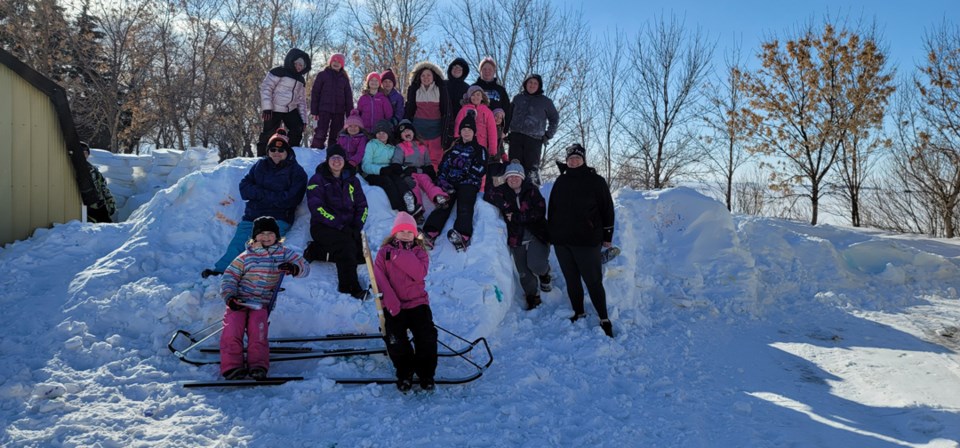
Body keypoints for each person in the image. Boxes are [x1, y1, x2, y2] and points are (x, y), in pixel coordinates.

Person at [202, 130, 307, 278]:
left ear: (287, 151)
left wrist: (259, 194)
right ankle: (223, 270)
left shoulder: (297, 172)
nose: (277, 153)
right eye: (273, 149)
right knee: (238, 243)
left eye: (281, 149)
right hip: (254, 215)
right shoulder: (260, 165)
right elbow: (244, 188)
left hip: (278, 218)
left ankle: (252, 276)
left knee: (263, 246)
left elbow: (290, 199)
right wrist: (271, 196)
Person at [219, 216, 310, 380]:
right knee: (232, 329)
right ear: (255, 236)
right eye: (262, 234)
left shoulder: (283, 253)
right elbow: (229, 277)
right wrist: (230, 297)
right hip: (238, 300)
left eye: (270, 233)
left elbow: (305, 267)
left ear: (277, 236)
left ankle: (258, 365)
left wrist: (294, 268)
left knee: (258, 331)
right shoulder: (246, 256)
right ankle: (232, 365)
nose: (266, 237)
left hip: (261, 304)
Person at [547, 144, 615, 337]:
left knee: (593, 281)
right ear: (567, 161)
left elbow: (607, 209)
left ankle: (604, 317)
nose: (573, 161)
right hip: (563, 242)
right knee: (571, 280)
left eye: (577, 158)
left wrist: (607, 236)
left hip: (587, 241)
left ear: (583, 159)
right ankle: (579, 311)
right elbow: (552, 210)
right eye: (570, 159)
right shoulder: (561, 181)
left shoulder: (596, 181)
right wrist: (552, 235)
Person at [374, 212, 438, 392]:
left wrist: (398, 254)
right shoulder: (383, 253)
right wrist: (392, 304)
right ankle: (405, 373)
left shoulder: (420, 252)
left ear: (414, 234)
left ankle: (426, 374)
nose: (405, 234)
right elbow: (380, 280)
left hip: (418, 303)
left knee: (426, 337)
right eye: (401, 230)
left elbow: (418, 273)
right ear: (394, 232)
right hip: (394, 304)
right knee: (395, 340)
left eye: (409, 231)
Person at [484, 161, 551, 310]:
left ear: (522, 177)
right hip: (517, 237)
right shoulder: (503, 191)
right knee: (523, 273)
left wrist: (516, 217)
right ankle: (533, 296)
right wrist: (505, 205)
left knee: (536, 264)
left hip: (537, 234)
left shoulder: (532, 190)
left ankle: (545, 273)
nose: (513, 179)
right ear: (506, 178)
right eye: (510, 177)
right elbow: (488, 195)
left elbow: (539, 212)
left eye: (516, 176)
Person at [304, 145, 369, 299]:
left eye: (339, 157)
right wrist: (340, 225)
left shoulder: (353, 180)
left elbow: (362, 206)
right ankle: (350, 288)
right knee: (346, 246)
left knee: (359, 256)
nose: (336, 161)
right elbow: (316, 207)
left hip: (348, 227)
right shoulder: (317, 179)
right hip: (323, 226)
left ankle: (316, 251)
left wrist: (356, 225)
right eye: (333, 158)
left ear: (344, 160)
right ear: (327, 160)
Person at [422, 112, 487, 250]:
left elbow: (481, 167)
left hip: (469, 182)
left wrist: (465, 177)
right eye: (464, 129)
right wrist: (442, 180)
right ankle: (430, 232)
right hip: (451, 182)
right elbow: (444, 165)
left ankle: (462, 235)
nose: (466, 132)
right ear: (460, 131)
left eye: (469, 130)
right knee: (443, 203)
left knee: (465, 203)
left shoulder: (479, 149)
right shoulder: (453, 148)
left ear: (474, 132)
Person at [390, 119, 449, 222]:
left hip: (421, 172)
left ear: (413, 132)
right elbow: (396, 163)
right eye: (403, 132)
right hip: (410, 173)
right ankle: (418, 209)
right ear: (400, 136)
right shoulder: (400, 147)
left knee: (427, 183)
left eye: (409, 131)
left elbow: (428, 163)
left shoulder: (422, 146)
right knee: (414, 187)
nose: (406, 133)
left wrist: (432, 174)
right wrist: (403, 173)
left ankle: (438, 197)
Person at [257, 48, 311, 156]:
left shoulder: (301, 80)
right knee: (268, 133)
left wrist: (304, 120)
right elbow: (266, 88)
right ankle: (262, 157)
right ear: (291, 61)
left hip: (290, 109)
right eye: (297, 64)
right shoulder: (278, 71)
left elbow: (301, 101)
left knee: (297, 128)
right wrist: (267, 108)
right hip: (274, 108)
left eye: (302, 66)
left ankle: (290, 153)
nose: (299, 67)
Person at [508, 74, 558, 187]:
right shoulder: (517, 98)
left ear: (539, 86)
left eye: (535, 83)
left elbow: (554, 118)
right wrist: (506, 132)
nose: (532, 85)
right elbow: (508, 115)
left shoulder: (546, 101)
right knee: (514, 168)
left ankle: (532, 195)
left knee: (532, 171)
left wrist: (548, 135)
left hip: (534, 140)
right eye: (530, 82)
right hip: (516, 138)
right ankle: (512, 196)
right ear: (526, 84)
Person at [362, 120, 419, 216]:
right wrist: (380, 170)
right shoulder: (372, 144)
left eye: (384, 133)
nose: (381, 135)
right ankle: (400, 208)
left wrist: (404, 168)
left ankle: (408, 198)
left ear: (388, 134)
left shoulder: (392, 148)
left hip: (388, 171)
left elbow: (397, 162)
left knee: (398, 180)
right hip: (372, 174)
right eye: (379, 133)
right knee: (387, 181)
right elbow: (365, 165)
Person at [404, 62, 449, 170]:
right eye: (423, 75)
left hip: (436, 129)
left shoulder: (440, 89)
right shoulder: (415, 89)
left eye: (428, 75)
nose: (426, 77)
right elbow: (410, 108)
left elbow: (446, 109)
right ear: (419, 77)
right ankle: (417, 177)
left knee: (435, 156)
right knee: (418, 155)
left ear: (434, 76)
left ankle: (433, 176)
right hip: (418, 128)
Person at [455, 85, 501, 191]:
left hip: (481, 146)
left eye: (478, 95)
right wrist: (457, 142)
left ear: (482, 97)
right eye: (473, 95)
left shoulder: (487, 112)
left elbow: (492, 132)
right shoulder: (464, 110)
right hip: (466, 146)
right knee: (464, 166)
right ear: (469, 97)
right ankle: (463, 189)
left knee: (481, 168)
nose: (476, 97)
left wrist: (493, 149)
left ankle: (480, 190)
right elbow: (458, 127)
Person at [310, 53, 353, 149]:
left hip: (339, 111)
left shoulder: (344, 79)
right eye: (334, 61)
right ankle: (315, 150)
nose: (336, 63)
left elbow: (348, 98)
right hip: (323, 109)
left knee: (337, 133)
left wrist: (350, 115)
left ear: (342, 65)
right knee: (320, 132)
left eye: (339, 62)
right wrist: (314, 111)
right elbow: (315, 92)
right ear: (330, 62)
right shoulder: (323, 75)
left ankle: (333, 152)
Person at [81, 142, 117, 223]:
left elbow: (103, 186)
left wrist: (109, 200)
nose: (84, 155)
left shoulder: (93, 170)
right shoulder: (75, 170)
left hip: (99, 205)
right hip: (87, 207)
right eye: (81, 153)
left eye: (85, 153)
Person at [472, 57, 510, 129]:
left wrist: (505, 130)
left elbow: (508, 110)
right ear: (480, 71)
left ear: (494, 71)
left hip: (496, 128)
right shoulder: (473, 88)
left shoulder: (501, 90)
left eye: (490, 69)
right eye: (484, 69)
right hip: (476, 128)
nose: (487, 71)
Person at [445, 58, 471, 144]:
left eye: (460, 69)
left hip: (459, 126)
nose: (457, 70)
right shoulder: (442, 84)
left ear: (464, 72)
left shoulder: (468, 88)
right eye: (455, 67)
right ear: (450, 69)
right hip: (442, 124)